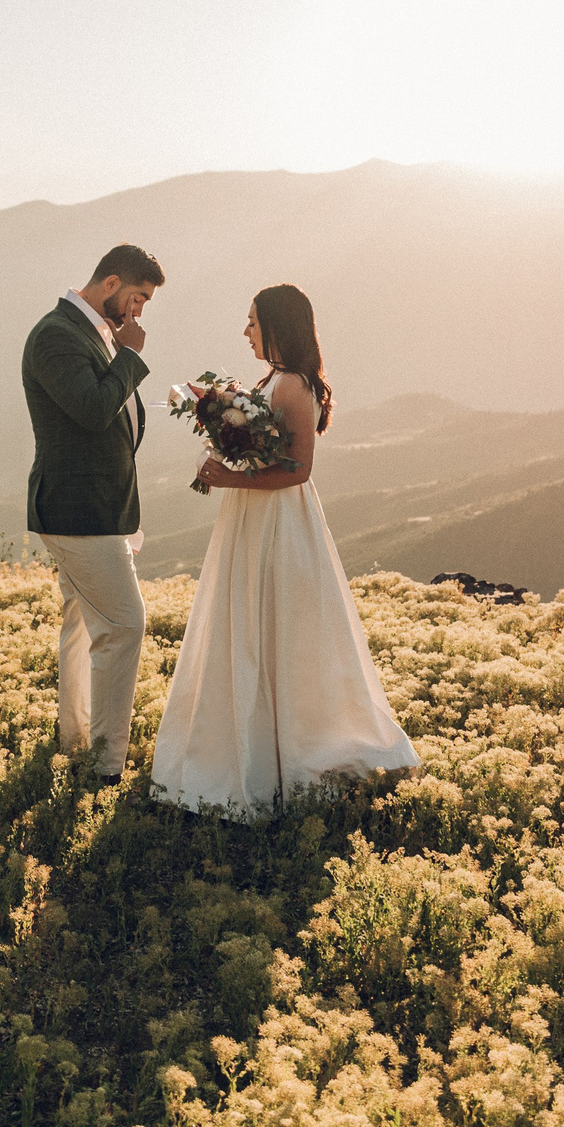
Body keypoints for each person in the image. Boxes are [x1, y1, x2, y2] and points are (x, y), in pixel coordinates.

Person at [149, 283, 419, 817]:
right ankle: (247, 747)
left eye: (252, 322)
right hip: (252, 518)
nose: (245, 332)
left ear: (277, 325)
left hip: (278, 520)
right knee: (246, 623)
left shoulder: (293, 385)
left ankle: (287, 753)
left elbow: (298, 470)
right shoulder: (272, 378)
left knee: (276, 628)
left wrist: (230, 479)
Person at [21, 244, 164, 784]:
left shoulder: (88, 332)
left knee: (81, 624)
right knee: (125, 625)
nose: (139, 310)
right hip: (78, 511)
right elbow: (91, 409)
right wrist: (129, 356)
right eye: (138, 297)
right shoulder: (57, 334)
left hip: (94, 506)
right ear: (110, 284)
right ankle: (104, 765)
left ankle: (75, 739)